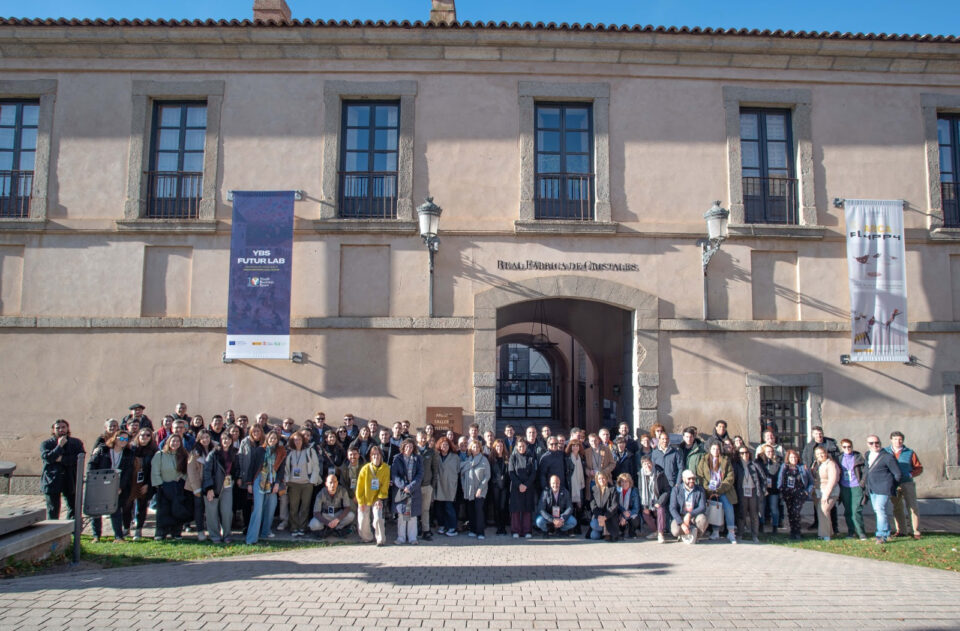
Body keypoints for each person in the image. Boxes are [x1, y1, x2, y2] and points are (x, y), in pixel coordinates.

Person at [87, 429, 134, 542]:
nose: (123, 441)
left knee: (115, 510)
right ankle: (96, 535)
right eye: (121, 438)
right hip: (100, 482)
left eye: (125, 439)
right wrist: (94, 480)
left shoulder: (128, 453)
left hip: (116, 484)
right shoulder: (103, 449)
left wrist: (121, 487)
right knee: (97, 510)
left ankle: (118, 536)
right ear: (115, 438)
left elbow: (128, 472)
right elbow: (91, 464)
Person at [244, 430, 287, 545]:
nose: (272, 440)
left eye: (275, 438)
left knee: (271, 507)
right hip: (259, 480)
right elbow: (252, 467)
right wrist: (249, 483)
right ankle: (251, 538)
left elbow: (281, 470)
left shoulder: (280, 452)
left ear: (278, 440)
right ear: (267, 439)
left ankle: (265, 532)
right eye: (271, 438)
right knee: (258, 509)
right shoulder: (260, 450)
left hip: (272, 482)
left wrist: (278, 483)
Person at [41, 419, 85, 520]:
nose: (61, 430)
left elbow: (79, 458)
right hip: (52, 479)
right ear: (53, 430)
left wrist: (61, 459)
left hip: (70, 478)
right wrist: (59, 446)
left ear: (67, 428)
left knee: (73, 507)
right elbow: (48, 458)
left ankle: (71, 531)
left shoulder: (76, 443)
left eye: (63, 427)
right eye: (58, 428)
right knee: (53, 508)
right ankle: (53, 532)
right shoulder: (46, 444)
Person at [696, 441, 738, 543]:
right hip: (709, 490)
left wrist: (721, 488)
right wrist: (708, 488)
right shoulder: (704, 460)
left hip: (723, 490)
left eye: (718, 449)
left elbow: (730, 476)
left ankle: (731, 532)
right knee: (715, 508)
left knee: (728, 507)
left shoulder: (725, 460)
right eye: (714, 449)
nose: (716, 451)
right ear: (710, 450)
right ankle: (715, 531)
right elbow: (700, 476)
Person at [884, 431, 923, 539]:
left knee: (912, 507)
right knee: (897, 507)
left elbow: (919, 467)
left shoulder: (909, 452)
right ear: (891, 440)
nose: (898, 441)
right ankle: (901, 530)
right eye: (895, 439)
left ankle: (916, 531)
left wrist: (911, 474)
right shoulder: (885, 452)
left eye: (900, 439)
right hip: (893, 483)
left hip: (907, 482)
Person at [864, 434, 902, 544]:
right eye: (871, 443)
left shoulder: (887, 457)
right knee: (878, 510)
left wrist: (891, 486)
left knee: (880, 510)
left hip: (884, 488)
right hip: (872, 488)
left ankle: (881, 535)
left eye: (877, 443)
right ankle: (887, 532)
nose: (875, 445)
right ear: (868, 444)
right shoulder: (868, 455)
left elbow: (897, 474)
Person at [203, 430, 239, 544]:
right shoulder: (214, 453)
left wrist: (236, 477)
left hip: (228, 486)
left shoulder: (234, 453)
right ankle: (214, 535)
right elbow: (207, 471)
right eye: (224, 439)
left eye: (228, 439)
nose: (226, 441)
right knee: (212, 513)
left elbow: (237, 469)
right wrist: (209, 488)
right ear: (220, 440)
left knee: (227, 511)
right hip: (214, 486)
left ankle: (227, 534)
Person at [151, 433, 189, 540]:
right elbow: (155, 471)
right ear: (168, 442)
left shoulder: (183, 454)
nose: (175, 443)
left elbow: (187, 470)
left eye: (178, 441)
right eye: (173, 441)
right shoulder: (160, 455)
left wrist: (182, 479)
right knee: (163, 511)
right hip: (164, 486)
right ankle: (161, 532)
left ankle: (176, 532)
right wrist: (159, 485)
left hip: (178, 486)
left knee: (177, 510)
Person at [802, 426, 840, 532]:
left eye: (820, 433)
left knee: (829, 504)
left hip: (828, 477)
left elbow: (837, 459)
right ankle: (818, 523)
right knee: (818, 504)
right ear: (813, 435)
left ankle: (833, 527)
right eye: (816, 434)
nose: (819, 436)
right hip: (815, 478)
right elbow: (805, 459)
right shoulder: (809, 446)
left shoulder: (830, 444)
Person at [284, 431, 320, 537]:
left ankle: (302, 527)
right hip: (293, 484)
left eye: (299, 439)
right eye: (295, 439)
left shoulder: (310, 451)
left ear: (303, 440)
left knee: (305, 507)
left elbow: (316, 466)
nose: (297, 442)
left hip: (306, 484)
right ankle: (294, 527)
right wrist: (287, 480)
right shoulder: (290, 452)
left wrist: (312, 481)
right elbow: (286, 468)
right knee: (293, 507)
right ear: (292, 441)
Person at [126, 428, 156, 540]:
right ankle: (126, 527)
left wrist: (148, 484)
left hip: (144, 482)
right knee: (127, 506)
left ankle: (139, 529)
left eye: (148, 435)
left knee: (142, 507)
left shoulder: (153, 451)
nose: (145, 437)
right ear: (138, 436)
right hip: (131, 482)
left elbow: (154, 469)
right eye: (142, 435)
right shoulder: (131, 449)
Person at [356, 445, 390, 546]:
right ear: (371, 456)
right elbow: (359, 487)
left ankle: (380, 539)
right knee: (363, 521)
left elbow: (385, 484)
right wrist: (360, 502)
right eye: (374, 455)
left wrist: (380, 499)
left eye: (378, 454)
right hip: (365, 497)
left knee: (378, 518)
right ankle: (367, 538)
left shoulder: (385, 468)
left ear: (381, 456)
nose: (376, 457)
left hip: (377, 498)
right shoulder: (365, 469)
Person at [391, 439, 423, 545]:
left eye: (411, 447)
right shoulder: (397, 459)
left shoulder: (417, 459)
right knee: (402, 515)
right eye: (407, 447)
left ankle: (413, 538)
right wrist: (404, 486)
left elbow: (420, 474)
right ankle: (401, 538)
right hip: (401, 491)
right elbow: (394, 475)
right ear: (403, 448)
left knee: (412, 516)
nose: (409, 449)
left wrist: (411, 486)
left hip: (413, 490)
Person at [777, 449, 813, 540]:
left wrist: (807, 491)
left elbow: (811, 481)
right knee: (790, 513)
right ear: (788, 458)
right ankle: (793, 531)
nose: (794, 459)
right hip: (788, 493)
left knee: (795, 512)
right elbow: (780, 479)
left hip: (799, 493)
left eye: (795, 457)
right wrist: (781, 490)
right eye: (792, 457)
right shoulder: (784, 467)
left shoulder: (802, 467)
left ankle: (797, 532)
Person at [460, 439, 491, 540]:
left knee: (479, 511)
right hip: (469, 490)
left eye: (477, 447)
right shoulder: (468, 461)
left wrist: (480, 488)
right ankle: (472, 530)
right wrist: (463, 486)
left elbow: (487, 476)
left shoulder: (484, 460)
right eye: (473, 447)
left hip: (480, 490)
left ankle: (480, 532)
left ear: (480, 449)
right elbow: (463, 474)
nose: (475, 449)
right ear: (470, 449)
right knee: (471, 510)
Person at [236, 424, 265, 534]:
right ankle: (247, 525)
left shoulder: (265, 443)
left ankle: (258, 526)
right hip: (246, 476)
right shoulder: (245, 442)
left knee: (258, 503)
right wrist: (239, 476)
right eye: (254, 431)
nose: (256, 433)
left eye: (258, 431)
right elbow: (240, 458)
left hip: (260, 477)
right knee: (246, 504)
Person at [837, 438, 867, 540]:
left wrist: (862, 483)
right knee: (848, 511)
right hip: (845, 487)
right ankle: (851, 532)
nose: (847, 448)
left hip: (856, 486)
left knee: (856, 510)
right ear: (842, 447)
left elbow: (865, 471)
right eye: (844, 447)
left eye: (849, 446)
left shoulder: (858, 457)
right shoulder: (839, 458)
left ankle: (861, 532)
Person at [185, 430, 212, 541]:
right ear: (199, 439)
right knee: (199, 508)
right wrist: (196, 488)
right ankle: (200, 531)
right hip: (198, 485)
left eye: (207, 437)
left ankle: (212, 530)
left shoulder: (214, 449)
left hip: (210, 484)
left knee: (210, 509)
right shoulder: (195, 452)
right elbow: (191, 471)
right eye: (203, 438)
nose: (205, 440)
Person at [734, 447, 765, 543]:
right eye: (742, 453)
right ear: (738, 455)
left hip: (753, 492)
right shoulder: (737, 465)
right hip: (742, 492)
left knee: (754, 514)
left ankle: (755, 535)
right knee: (741, 514)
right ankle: (740, 533)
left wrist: (762, 490)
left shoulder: (754, 464)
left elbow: (762, 478)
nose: (744, 455)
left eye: (746, 452)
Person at [509, 437, 537, 539]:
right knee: (516, 510)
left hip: (528, 487)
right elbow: (511, 472)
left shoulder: (531, 457)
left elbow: (533, 473)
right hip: (516, 487)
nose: (521, 448)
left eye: (523, 446)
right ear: (516, 447)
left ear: (526, 446)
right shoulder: (513, 457)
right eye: (519, 446)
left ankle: (527, 531)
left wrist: (526, 485)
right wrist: (519, 484)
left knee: (527, 509)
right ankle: (515, 530)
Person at [670, 469, 709, 544]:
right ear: (683, 479)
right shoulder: (676, 490)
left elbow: (702, 507)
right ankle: (684, 535)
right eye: (689, 479)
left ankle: (696, 536)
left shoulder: (700, 490)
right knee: (675, 531)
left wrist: (689, 514)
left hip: (694, 516)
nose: (692, 481)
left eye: (693, 478)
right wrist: (681, 523)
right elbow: (672, 508)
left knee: (703, 519)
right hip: (681, 516)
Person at [311, 474, 355, 538]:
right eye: (330, 482)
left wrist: (338, 519)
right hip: (325, 515)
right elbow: (316, 512)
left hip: (338, 514)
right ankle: (326, 529)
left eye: (334, 482)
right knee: (313, 524)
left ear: (337, 483)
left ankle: (337, 529)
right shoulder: (321, 493)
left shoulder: (343, 491)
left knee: (351, 515)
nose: (332, 485)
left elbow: (347, 508)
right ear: (326, 484)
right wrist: (327, 522)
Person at [637, 456, 670, 543]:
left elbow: (666, 490)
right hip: (647, 501)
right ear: (642, 465)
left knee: (660, 510)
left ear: (652, 463)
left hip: (658, 499)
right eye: (644, 464)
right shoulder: (640, 474)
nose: (647, 465)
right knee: (645, 513)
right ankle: (655, 531)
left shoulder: (660, 473)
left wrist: (659, 502)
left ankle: (661, 533)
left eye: (648, 463)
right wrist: (645, 506)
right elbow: (640, 490)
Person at [812, 445, 840, 541]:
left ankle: (824, 535)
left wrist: (826, 495)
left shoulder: (831, 464)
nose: (820, 455)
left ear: (826, 453)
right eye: (818, 454)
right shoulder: (817, 464)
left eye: (822, 453)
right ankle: (829, 532)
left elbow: (833, 480)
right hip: (818, 491)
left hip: (830, 491)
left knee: (824, 510)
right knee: (821, 512)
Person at [434, 437, 460, 537]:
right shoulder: (436, 456)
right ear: (439, 446)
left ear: (450, 446)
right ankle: (442, 525)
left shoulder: (455, 457)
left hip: (450, 485)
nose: (445, 446)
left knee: (449, 507)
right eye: (443, 445)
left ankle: (452, 527)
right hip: (439, 485)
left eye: (447, 445)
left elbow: (458, 470)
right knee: (439, 508)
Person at [416, 430, 439, 540]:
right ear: (417, 438)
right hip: (415, 486)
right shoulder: (413, 450)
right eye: (421, 437)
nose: (423, 439)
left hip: (427, 486)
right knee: (415, 509)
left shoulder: (431, 452)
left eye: (425, 437)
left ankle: (426, 531)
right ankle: (415, 530)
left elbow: (435, 469)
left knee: (425, 510)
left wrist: (432, 485)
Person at [756, 444, 782, 534]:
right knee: (761, 508)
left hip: (773, 489)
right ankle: (761, 525)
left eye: (771, 451)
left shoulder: (777, 462)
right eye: (768, 452)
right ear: (764, 452)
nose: (770, 453)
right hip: (763, 489)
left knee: (774, 508)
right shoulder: (759, 462)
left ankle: (775, 527)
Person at [564, 438, 588, 534]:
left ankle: (578, 527)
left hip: (579, 485)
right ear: (570, 447)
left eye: (577, 445)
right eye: (573, 445)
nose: (575, 447)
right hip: (571, 486)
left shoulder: (581, 458)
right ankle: (571, 529)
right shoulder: (567, 459)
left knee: (579, 508)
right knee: (571, 507)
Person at [588, 472, 620, 541]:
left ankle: (607, 532)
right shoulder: (594, 489)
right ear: (596, 480)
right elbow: (593, 505)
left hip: (609, 516)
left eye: (603, 478)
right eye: (599, 479)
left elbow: (615, 505)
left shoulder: (613, 489)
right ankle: (602, 532)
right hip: (598, 516)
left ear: (607, 479)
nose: (601, 480)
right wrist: (600, 516)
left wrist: (605, 517)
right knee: (594, 536)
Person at [488, 439, 511, 535]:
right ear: (494, 447)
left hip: (505, 486)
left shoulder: (507, 458)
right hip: (495, 486)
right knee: (497, 507)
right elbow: (490, 473)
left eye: (501, 446)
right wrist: (496, 482)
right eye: (497, 446)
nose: (499, 448)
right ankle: (499, 527)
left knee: (503, 507)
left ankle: (503, 526)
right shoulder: (491, 459)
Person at [614, 473, 641, 538]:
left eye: (626, 481)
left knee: (635, 519)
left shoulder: (634, 491)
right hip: (621, 513)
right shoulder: (617, 491)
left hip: (631, 514)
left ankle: (632, 530)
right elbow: (616, 505)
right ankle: (622, 530)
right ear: (619, 482)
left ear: (630, 482)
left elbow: (636, 509)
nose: (624, 483)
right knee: (615, 517)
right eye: (622, 481)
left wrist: (625, 517)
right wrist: (623, 513)